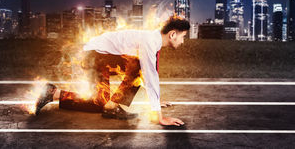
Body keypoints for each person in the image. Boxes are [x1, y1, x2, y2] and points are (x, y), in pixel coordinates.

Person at [35, 15, 190, 126]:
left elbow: (152, 72)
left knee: (138, 67)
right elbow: (151, 77)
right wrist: (159, 116)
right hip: (95, 55)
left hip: (102, 55)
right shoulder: (151, 41)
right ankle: (53, 93)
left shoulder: (154, 40)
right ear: (172, 34)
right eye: (183, 37)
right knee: (98, 104)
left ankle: (113, 106)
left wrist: (155, 102)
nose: (183, 41)